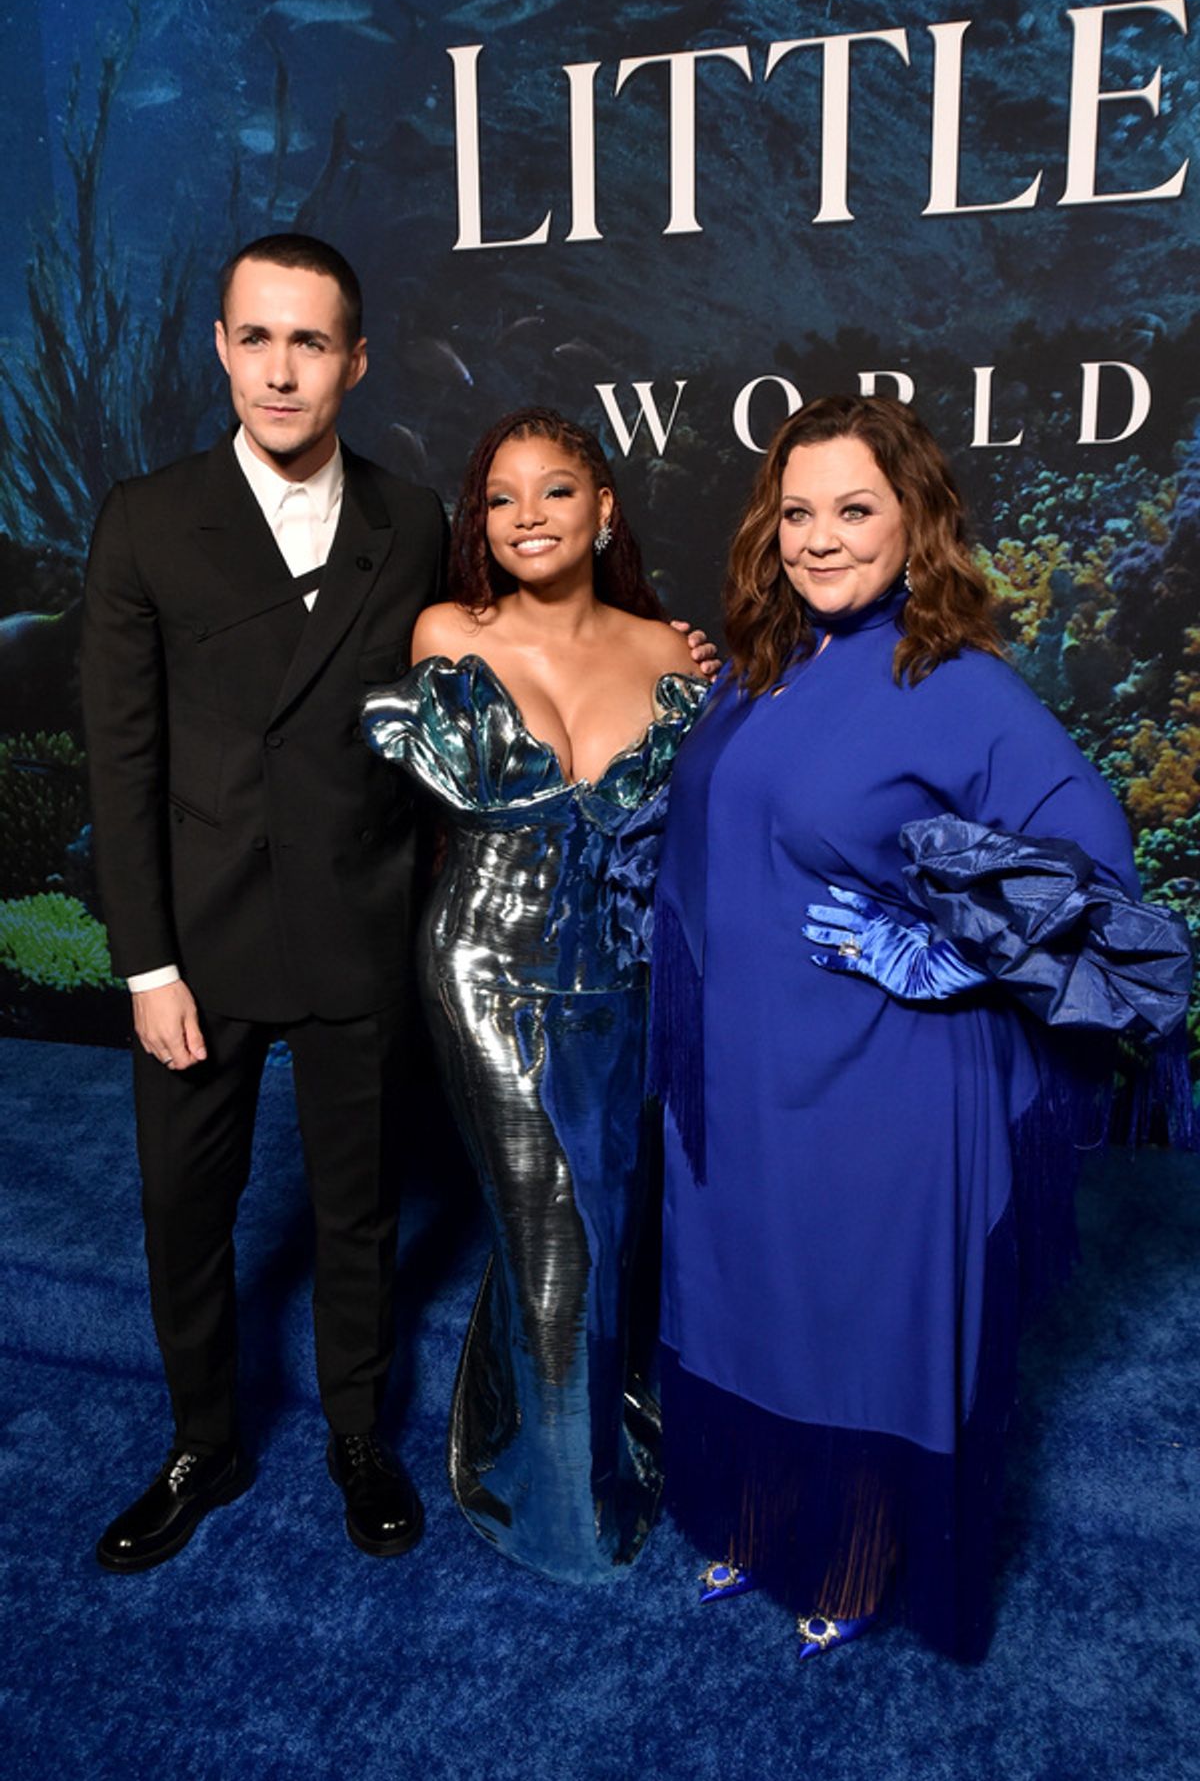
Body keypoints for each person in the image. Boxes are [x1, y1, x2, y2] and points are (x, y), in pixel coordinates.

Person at [651, 395, 1192, 1659]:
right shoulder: (764, 665)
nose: (821, 540)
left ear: (918, 525)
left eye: (856, 511)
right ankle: (761, 1517)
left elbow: (1098, 865)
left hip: (880, 1087)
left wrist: (952, 951)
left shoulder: (959, 683)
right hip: (741, 1077)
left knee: (858, 1327)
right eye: (797, 513)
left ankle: (851, 1556)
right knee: (748, 1302)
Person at [81, 234, 446, 1570]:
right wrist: (145, 964)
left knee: (358, 1203)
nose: (279, 370)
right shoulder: (145, 517)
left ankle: (360, 1430)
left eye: (309, 342)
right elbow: (122, 762)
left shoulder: (413, 520)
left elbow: (473, 686)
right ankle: (202, 1438)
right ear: (220, 346)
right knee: (186, 1203)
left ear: (355, 359)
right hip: (198, 939)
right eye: (255, 337)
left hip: (357, 921)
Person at [361, 407, 708, 1581]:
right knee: (547, 1221)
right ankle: (559, 1506)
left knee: (610, 1222)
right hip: (489, 964)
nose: (526, 517)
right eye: (500, 498)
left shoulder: (673, 652)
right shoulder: (448, 632)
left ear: (604, 509)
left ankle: (561, 1432)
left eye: (555, 492)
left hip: (625, 971)